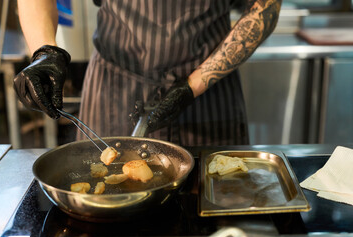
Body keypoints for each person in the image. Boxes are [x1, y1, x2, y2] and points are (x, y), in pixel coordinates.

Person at [14, 0, 281, 146]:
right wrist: (45, 51)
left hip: (208, 89)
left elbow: (266, 6)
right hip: (114, 88)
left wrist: (193, 85)